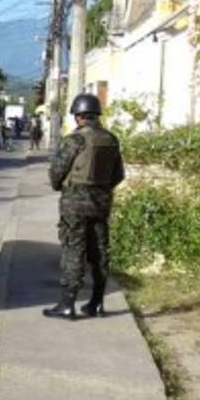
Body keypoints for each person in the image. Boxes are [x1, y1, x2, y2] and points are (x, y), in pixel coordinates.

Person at [44, 94, 125, 320]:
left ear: (79, 116)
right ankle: (97, 303)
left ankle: (67, 304)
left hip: (75, 204)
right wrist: (101, 189)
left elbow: (56, 173)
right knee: (99, 251)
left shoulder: (74, 140)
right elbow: (119, 175)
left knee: (73, 250)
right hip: (101, 203)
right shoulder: (111, 139)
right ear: (96, 115)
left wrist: (64, 185)